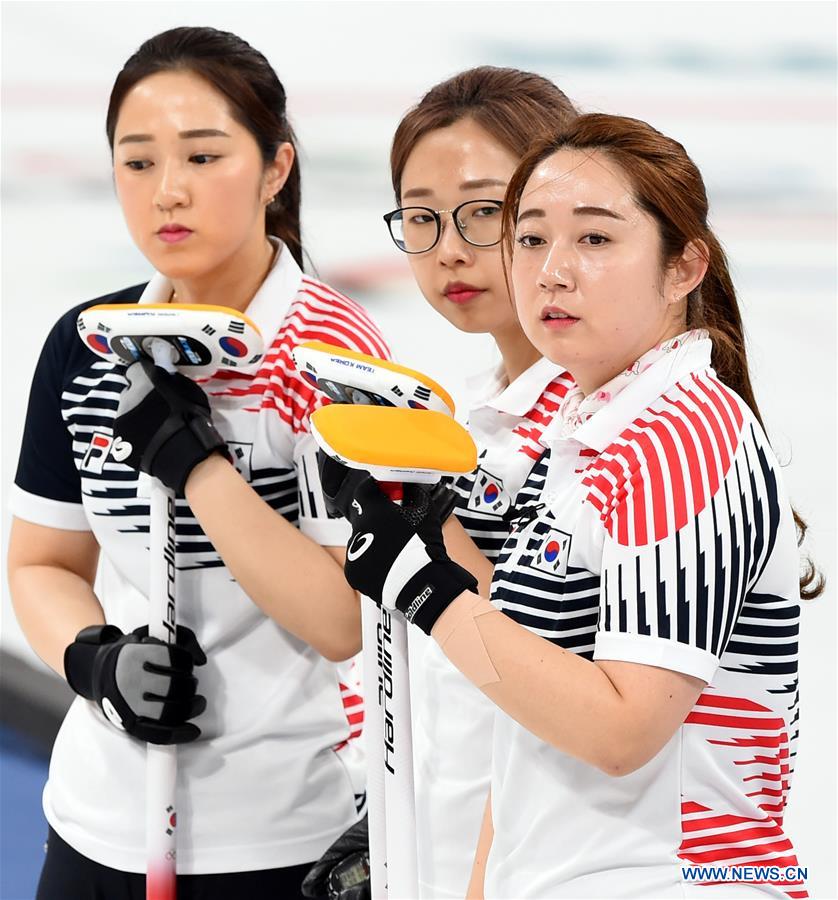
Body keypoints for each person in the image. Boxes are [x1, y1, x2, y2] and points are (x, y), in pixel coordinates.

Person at [324, 113, 822, 898]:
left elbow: (624, 729)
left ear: (684, 265)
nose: (552, 271)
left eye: (594, 239)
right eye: (530, 239)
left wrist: (427, 592)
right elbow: (525, 718)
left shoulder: (685, 435)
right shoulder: (580, 435)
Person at [7, 26, 389, 900]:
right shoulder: (88, 343)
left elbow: (342, 619)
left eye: (204, 155)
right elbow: (42, 561)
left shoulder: (336, 357)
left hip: (279, 839)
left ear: (275, 168)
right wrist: (94, 663)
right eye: (137, 163)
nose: (167, 191)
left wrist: (200, 470)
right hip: (96, 821)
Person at [303, 66, 577, 900]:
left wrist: (433, 537)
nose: (450, 247)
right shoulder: (481, 413)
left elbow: (562, 674)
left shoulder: (602, 421)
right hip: (436, 848)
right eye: (421, 218)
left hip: (535, 863)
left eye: (482, 212)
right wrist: (385, 817)